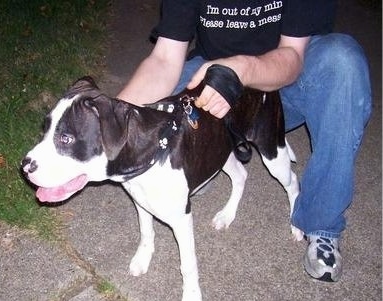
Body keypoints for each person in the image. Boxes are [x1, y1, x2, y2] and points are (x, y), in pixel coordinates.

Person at [117, 0, 372, 282]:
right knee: (157, 112)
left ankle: (322, 222)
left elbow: (292, 56)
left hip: (288, 82)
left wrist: (242, 70)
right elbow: (165, 58)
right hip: (216, 75)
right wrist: (112, 118)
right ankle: (212, 149)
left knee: (342, 62)